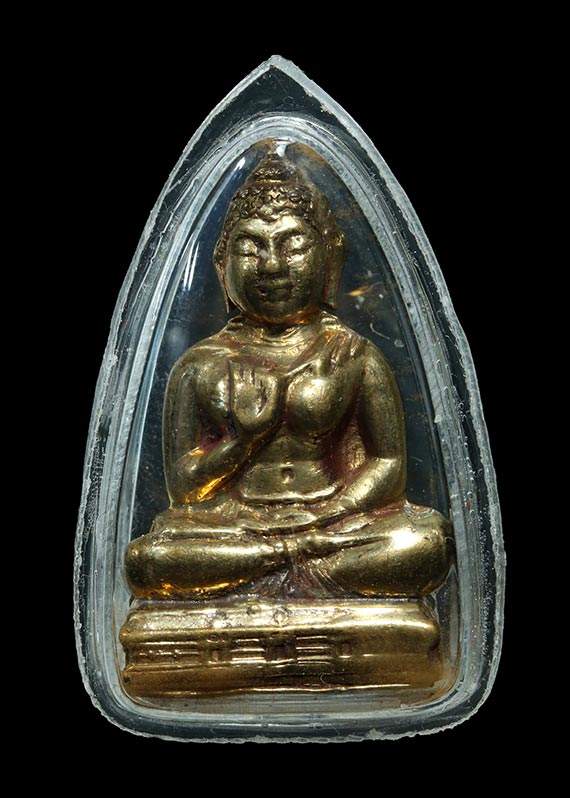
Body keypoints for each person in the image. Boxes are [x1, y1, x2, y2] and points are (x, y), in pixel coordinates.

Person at [126, 148, 452, 602]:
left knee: (426, 541)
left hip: (332, 525)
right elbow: (184, 488)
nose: (273, 266)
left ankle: (273, 567)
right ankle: (289, 564)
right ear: (222, 263)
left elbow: (389, 465)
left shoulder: (354, 355)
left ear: (328, 258)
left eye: (293, 246)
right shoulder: (200, 364)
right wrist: (244, 440)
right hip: (236, 527)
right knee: (150, 560)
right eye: (250, 248)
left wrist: (328, 515)